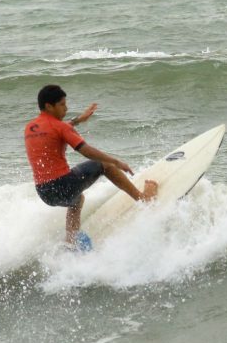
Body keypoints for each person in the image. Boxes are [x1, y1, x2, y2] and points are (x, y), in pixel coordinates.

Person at [25, 85, 158, 246]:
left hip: (45, 192)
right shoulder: (60, 127)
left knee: (77, 199)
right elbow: (86, 151)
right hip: (63, 185)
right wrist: (115, 162)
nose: (66, 108)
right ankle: (143, 199)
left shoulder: (30, 128)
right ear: (48, 106)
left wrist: (77, 120)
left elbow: (53, 129)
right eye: (61, 104)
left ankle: (71, 241)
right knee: (104, 165)